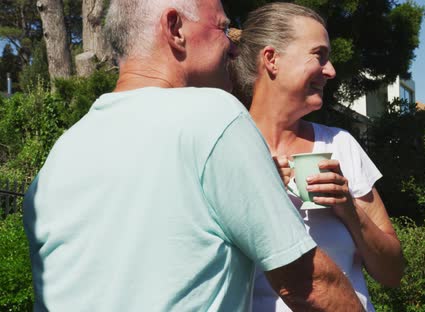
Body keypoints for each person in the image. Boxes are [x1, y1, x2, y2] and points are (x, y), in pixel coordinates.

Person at [22, 0, 364, 311]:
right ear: (175, 29)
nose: (234, 48)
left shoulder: (62, 152)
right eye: (223, 29)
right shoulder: (213, 113)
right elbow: (309, 283)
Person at [230, 3, 405, 311]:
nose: (331, 71)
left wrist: (350, 210)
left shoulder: (340, 145)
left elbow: (392, 273)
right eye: (319, 55)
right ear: (272, 59)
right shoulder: (225, 149)